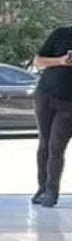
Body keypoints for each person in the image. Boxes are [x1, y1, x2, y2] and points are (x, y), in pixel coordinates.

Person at [32, 22, 72, 206]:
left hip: (68, 103)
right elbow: (38, 62)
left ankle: (51, 191)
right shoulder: (60, 34)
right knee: (44, 143)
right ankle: (42, 188)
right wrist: (61, 61)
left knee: (56, 145)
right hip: (45, 95)